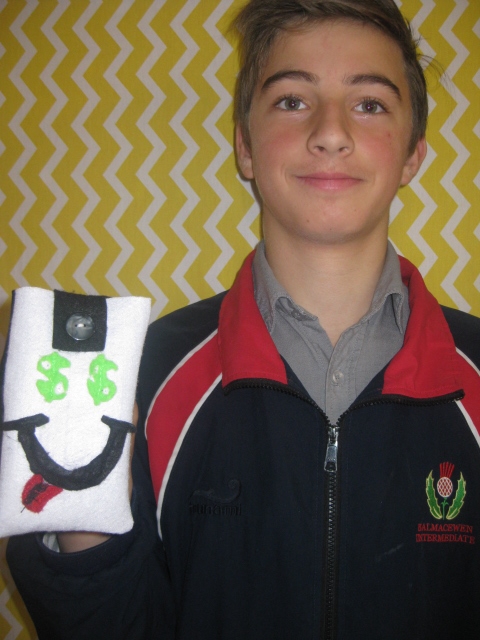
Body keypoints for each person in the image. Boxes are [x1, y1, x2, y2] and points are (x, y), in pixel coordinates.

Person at [6, 0, 480, 638]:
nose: (330, 132)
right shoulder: (139, 378)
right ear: (245, 147)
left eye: (370, 104)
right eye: (292, 100)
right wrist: (80, 509)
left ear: (413, 156)